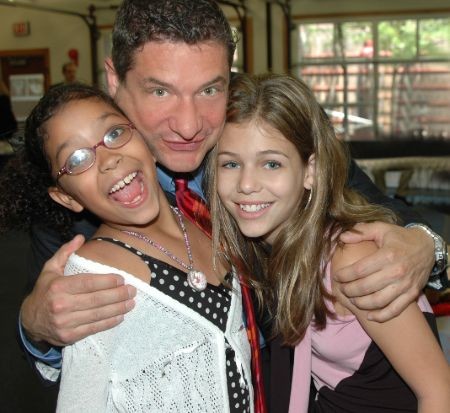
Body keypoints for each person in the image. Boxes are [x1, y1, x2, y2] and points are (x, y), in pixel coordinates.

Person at [17, 0, 444, 411]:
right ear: (115, 80)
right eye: (160, 90)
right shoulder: (72, 220)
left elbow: (377, 209)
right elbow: (72, 383)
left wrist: (426, 245)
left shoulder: (256, 129)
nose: (188, 125)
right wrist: (36, 331)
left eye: (209, 89)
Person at [1, 83, 253, 412]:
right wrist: (33, 323)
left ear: (145, 140)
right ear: (66, 197)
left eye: (115, 133)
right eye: (77, 158)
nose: (107, 159)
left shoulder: (203, 222)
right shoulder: (94, 278)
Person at [207, 72, 450, 412]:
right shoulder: (270, 252)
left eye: (271, 163)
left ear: (311, 171)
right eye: (231, 163)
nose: (247, 183)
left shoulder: (350, 260)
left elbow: (438, 391)